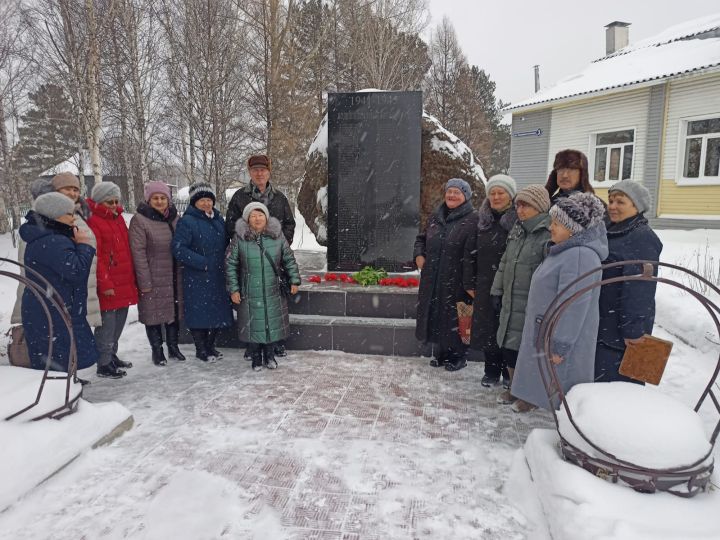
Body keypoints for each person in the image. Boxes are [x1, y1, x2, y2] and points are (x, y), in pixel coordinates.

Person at [511, 192, 608, 412]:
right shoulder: (566, 251)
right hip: (546, 330)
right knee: (551, 389)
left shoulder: (580, 256)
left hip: (559, 339)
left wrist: (560, 345)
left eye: (556, 223)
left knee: (563, 394)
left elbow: (573, 305)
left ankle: (568, 432)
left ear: (573, 229)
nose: (550, 227)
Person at [225, 154, 296, 358]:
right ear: (249, 172)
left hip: (274, 260)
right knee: (251, 304)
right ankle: (252, 343)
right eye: (255, 169)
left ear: (269, 171)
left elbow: (289, 224)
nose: (259, 173)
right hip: (249, 260)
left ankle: (276, 341)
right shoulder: (240, 196)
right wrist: (245, 246)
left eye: (263, 169)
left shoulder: (280, 198)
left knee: (275, 302)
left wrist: (280, 246)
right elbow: (230, 225)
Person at [20, 192, 98, 373]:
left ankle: (64, 385)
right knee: (59, 358)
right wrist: (85, 245)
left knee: (56, 357)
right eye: (69, 214)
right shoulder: (52, 240)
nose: (73, 219)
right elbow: (76, 271)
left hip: (50, 306)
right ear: (55, 215)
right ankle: (62, 392)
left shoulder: (47, 236)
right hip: (54, 308)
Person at [490, 185, 552, 405]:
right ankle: (515, 388)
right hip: (511, 299)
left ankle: (530, 395)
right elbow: (505, 262)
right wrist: (497, 291)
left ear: (540, 207)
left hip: (532, 302)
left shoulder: (548, 232)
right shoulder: (517, 229)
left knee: (529, 350)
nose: (520, 210)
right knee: (509, 347)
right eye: (518, 205)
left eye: (526, 205)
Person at [596, 180, 663, 383]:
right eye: (611, 201)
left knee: (621, 386)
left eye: (620, 202)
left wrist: (633, 331)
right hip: (604, 324)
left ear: (637, 206)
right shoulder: (610, 231)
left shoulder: (641, 238)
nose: (613, 206)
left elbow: (640, 289)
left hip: (622, 333)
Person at [226, 202, 301, 371]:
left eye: (260, 215)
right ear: (247, 219)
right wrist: (234, 289)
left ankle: (270, 355)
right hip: (249, 290)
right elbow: (231, 264)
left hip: (272, 288)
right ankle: (256, 357)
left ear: (266, 217)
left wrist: (294, 280)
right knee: (254, 324)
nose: (257, 218)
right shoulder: (239, 238)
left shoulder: (277, 236)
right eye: (253, 215)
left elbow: (289, 259)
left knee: (270, 322)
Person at [415, 178, 478, 372]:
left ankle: (458, 356)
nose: (451, 195)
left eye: (457, 192)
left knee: (454, 316)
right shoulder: (436, 216)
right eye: (449, 191)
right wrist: (419, 254)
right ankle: (442, 353)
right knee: (436, 314)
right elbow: (421, 239)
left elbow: (475, 251)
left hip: (456, 278)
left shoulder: (473, 219)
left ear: (465, 196)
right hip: (433, 277)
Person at [463, 174, 517, 387]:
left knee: (508, 328)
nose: (496, 197)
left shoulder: (518, 219)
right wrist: (469, 283)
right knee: (488, 328)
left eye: (500, 192)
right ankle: (491, 370)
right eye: (492, 193)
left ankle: (508, 372)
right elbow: (469, 253)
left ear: (511, 196)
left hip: (510, 284)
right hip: (485, 283)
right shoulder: (481, 221)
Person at [172, 182, 233, 362]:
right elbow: (178, 248)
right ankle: (201, 349)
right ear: (194, 202)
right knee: (199, 314)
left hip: (218, 275)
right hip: (198, 276)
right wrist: (202, 262)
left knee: (217, 313)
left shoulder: (218, 220)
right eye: (202, 200)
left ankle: (210, 346)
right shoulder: (187, 221)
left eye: (209, 200)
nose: (206, 204)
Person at [129, 181, 185, 366]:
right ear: (149, 199)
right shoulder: (140, 220)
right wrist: (144, 281)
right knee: (152, 315)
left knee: (173, 313)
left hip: (174, 275)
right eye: (156, 198)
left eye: (163, 198)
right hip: (153, 275)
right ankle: (157, 350)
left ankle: (173, 347)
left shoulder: (175, 218)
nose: (160, 201)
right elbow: (138, 253)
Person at [87, 181, 138, 378]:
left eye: (116, 201)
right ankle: (103, 362)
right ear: (100, 201)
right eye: (110, 202)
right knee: (106, 325)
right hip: (109, 283)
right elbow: (96, 256)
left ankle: (111, 355)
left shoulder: (118, 219)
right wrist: (105, 283)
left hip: (123, 280)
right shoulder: (94, 221)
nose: (114, 205)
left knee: (118, 323)